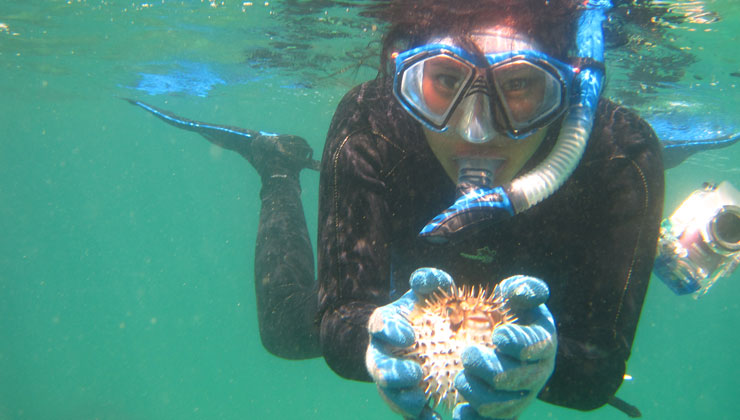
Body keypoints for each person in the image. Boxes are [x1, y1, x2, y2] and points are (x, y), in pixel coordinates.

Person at [129, 0, 664, 418]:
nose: (475, 131)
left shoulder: (623, 155)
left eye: (520, 86)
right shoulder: (371, 123)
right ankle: (276, 165)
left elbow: (598, 367)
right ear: (402, 80)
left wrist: (545, 363)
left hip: (549, 243)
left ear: (570, 94)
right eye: (445, 82)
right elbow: (341, 318)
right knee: (287, 332)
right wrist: (381, 333)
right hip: (413, 251)